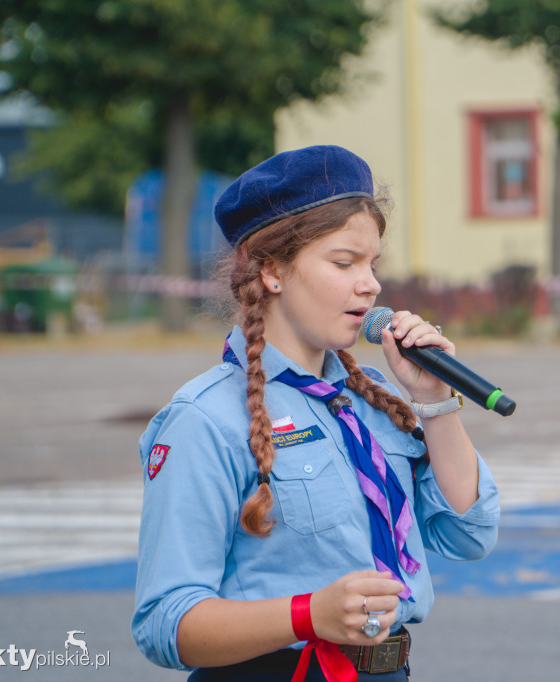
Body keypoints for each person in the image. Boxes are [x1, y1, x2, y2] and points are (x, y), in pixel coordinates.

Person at [132, 145, 500, 681]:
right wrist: (308, 615)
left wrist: (435, 403)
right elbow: (165, 623)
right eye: (344, 262)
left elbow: (469, 536)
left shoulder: (372, 397)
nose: (370, 284)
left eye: (373, 264)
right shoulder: (204, 419)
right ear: (274, 271)